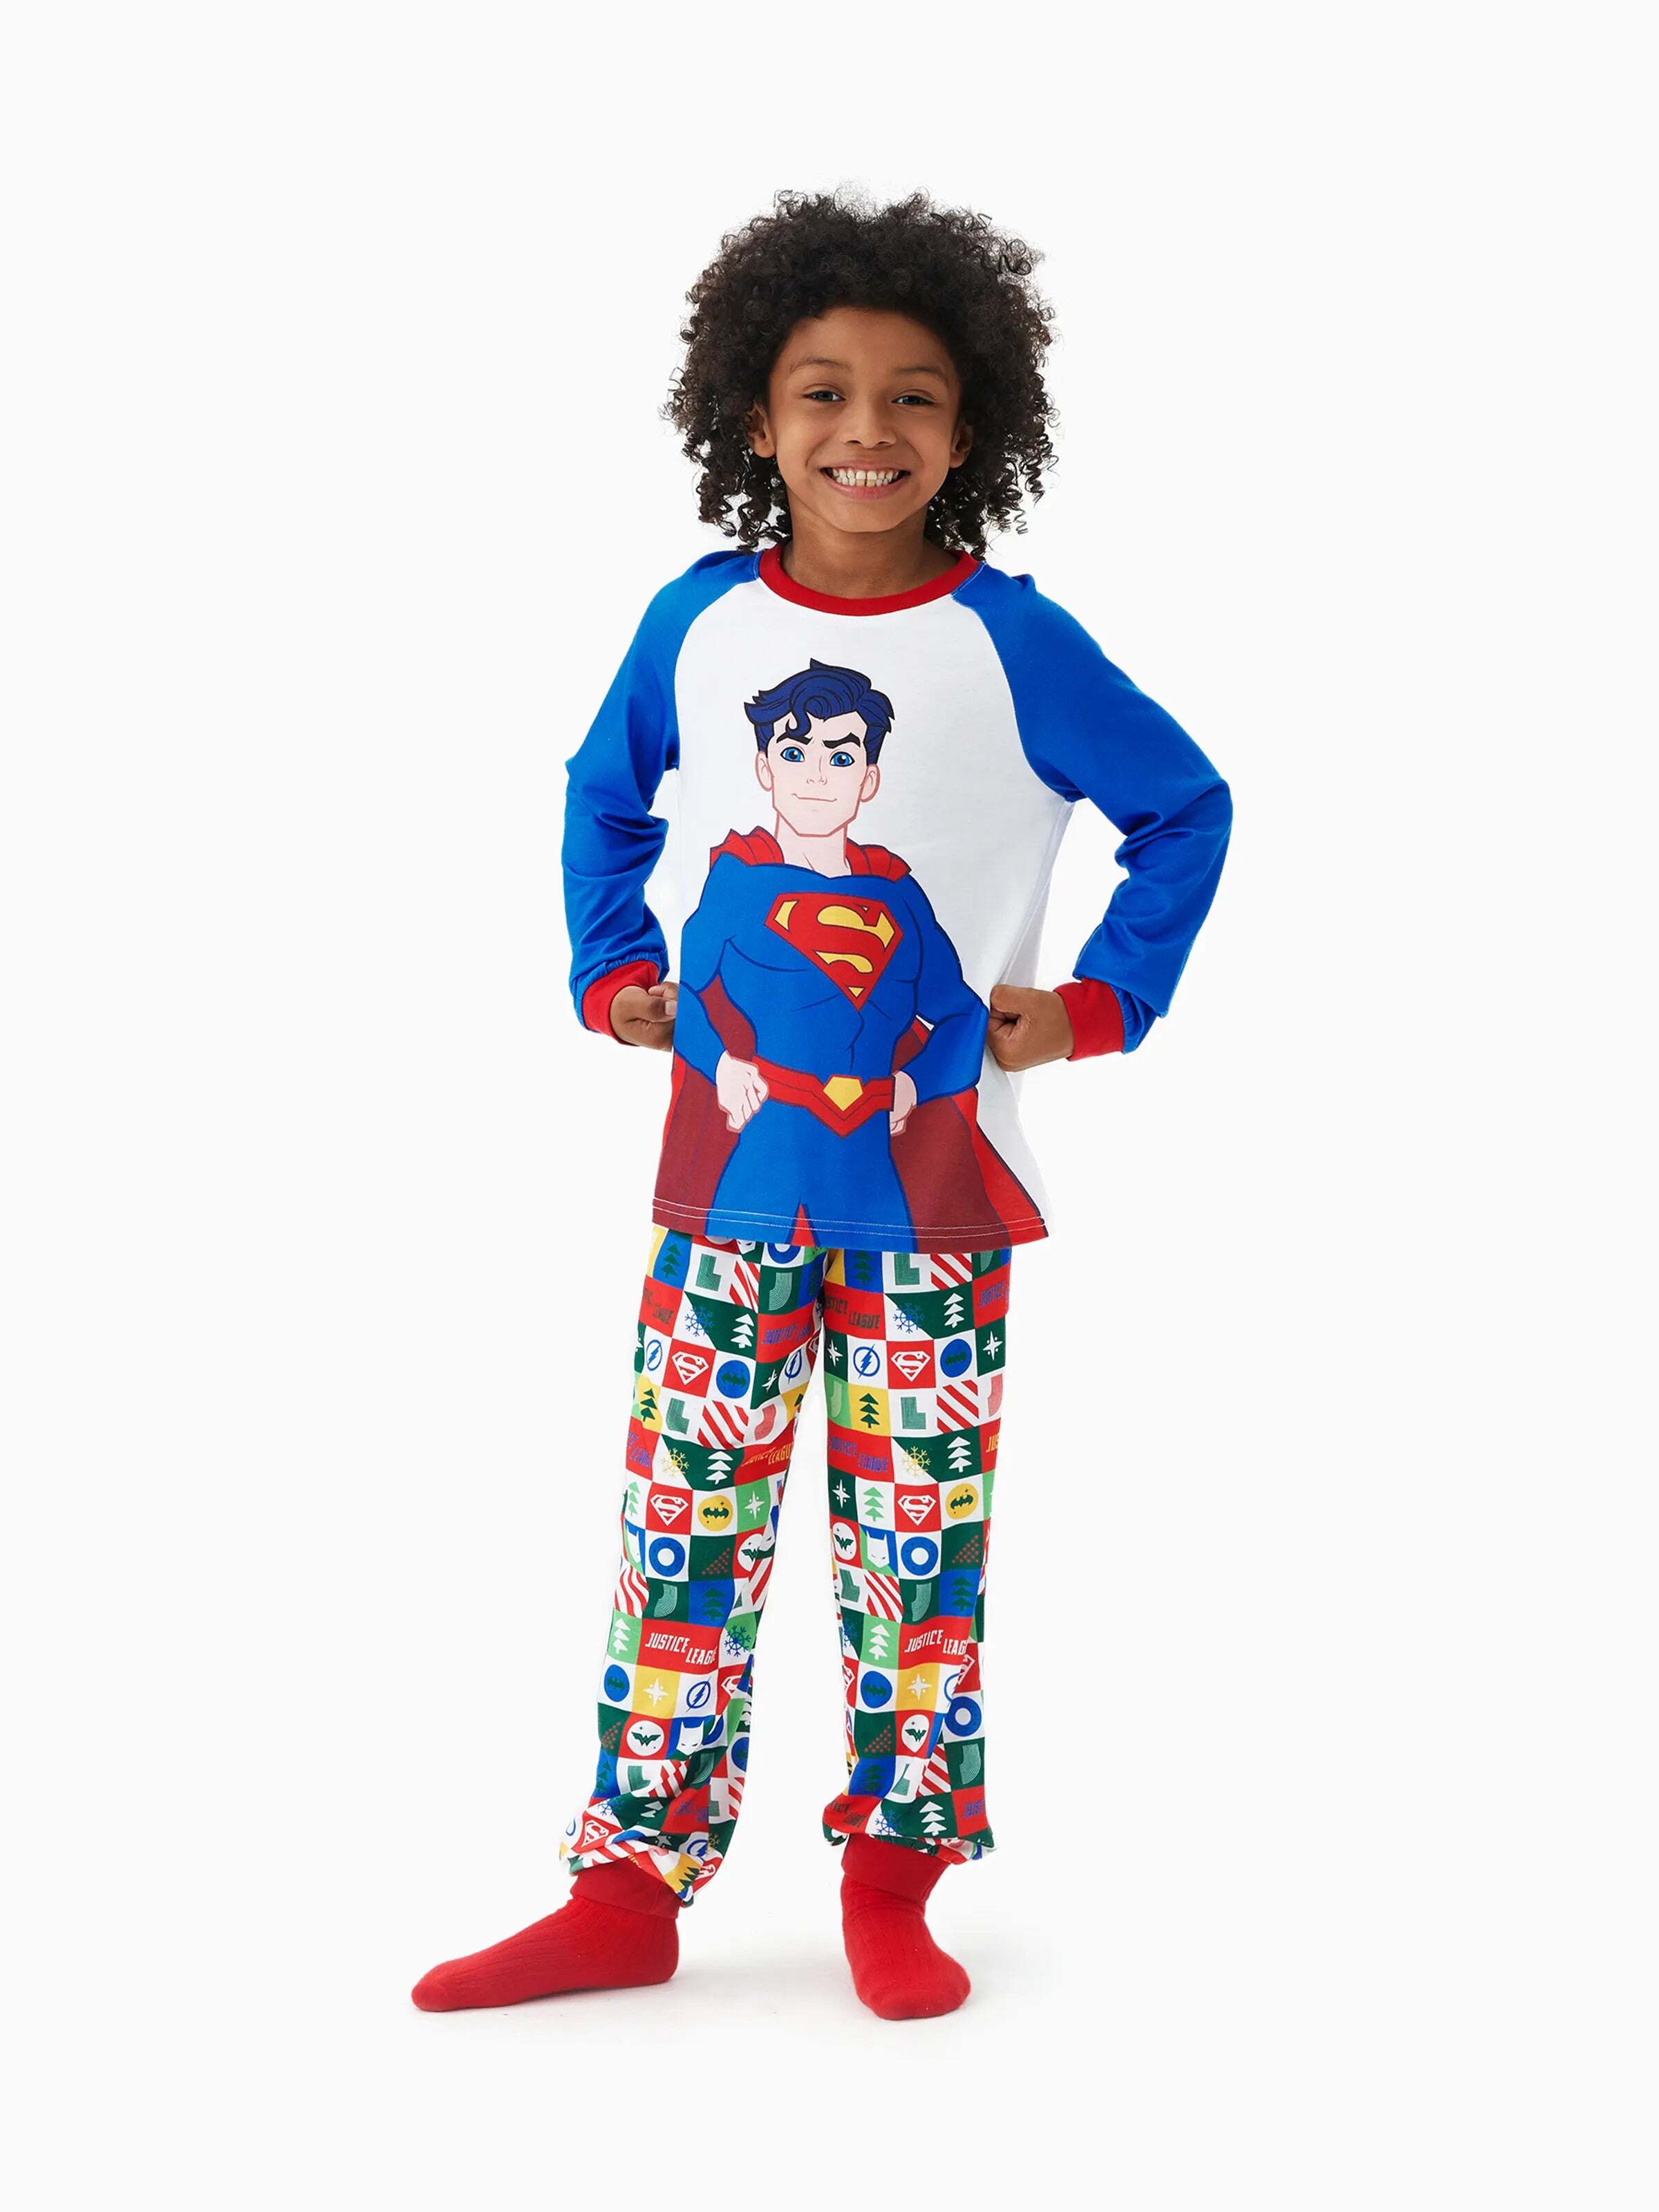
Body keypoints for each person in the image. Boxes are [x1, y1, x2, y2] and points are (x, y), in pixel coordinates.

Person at [412, 185, 1232, 2023]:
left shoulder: (1015, 644)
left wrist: (1094, 1006)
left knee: (914, 1546)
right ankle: (629, 1883)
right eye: (824, 392)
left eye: (915, 395)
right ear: (756, 418)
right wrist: (611, 971)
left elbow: (1187, 805)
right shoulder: (697, 623)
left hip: (935, 1203)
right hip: (724, 1191)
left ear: (975, 423)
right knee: (682, 1529)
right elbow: (602, 795)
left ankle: (894, 1873)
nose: (870, 429)